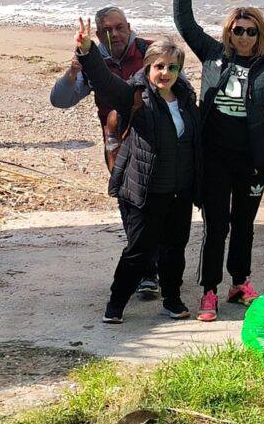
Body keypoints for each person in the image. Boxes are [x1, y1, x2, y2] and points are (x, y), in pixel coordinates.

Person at [172, 0, 264, 323]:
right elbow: (186, 25)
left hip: (252, 157)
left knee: (244, 223)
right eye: (237, 30)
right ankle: (209, 288)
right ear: (229, 32)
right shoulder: (213, 54)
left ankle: (239, 282)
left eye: (251, 31)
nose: (243, 36)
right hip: (214, 155)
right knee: (216, 225)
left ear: (259, 34)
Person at [72, 20, 199, 324]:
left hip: (179, 189)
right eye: (159, 66)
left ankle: (172, 299)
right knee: (139, 250)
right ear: (148, 67)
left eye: (172, 67)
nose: (165, 73)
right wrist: (88, 51)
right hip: (146, 189)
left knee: (175, 248)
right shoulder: (135, 94)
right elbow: (104, 82)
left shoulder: (184, 97)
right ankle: (116, 304)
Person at [50, 5, 158, 298]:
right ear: (98, 34)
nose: (114, 34)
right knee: (129, 207)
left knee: (157, 206)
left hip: (153, 141)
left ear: (128, 25)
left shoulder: (150, 52)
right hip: (117, 146)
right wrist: (72, 73)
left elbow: (177, 84)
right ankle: (147, 272)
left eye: (119, 27)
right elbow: (60, 101)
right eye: (107, 30)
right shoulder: (92, 60)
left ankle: (154, 267)